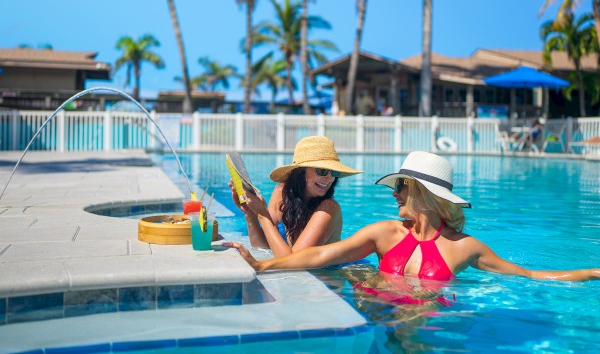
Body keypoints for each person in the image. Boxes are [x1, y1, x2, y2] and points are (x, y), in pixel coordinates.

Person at [227, 151, 599, 282]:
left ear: (423, 193)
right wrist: (261, 268)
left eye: (401, 187)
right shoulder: (384, 233)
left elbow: (533, 275)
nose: (394, 194)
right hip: (381, 315)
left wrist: (595, 272)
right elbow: (319, 257)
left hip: (432, 328)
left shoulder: (465, 248)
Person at [229, 135, 361, 257]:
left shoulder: (329, 208)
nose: (329, 178)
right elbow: (264, 248)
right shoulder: (281, 192)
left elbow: (292, 262)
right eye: (322, 170)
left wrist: (263, 214)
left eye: (334, 172)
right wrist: (250, 214)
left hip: (330, 276)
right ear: (301, 172)